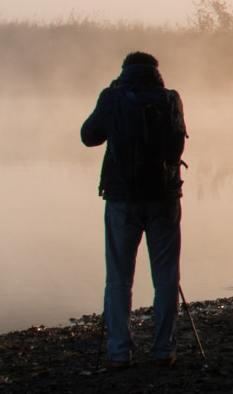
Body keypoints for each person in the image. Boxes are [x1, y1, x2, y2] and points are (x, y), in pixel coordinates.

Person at [80, 51, 187, 367]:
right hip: (164, 199)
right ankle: (163, 349)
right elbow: (178, 145)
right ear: (156, 71)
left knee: (119, 278)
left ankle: (119, 350)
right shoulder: (170, 99)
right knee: (166, 277)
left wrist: (111, 104)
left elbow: (88, 137)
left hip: (122, 201)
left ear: (124, 70)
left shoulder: (112, 96)